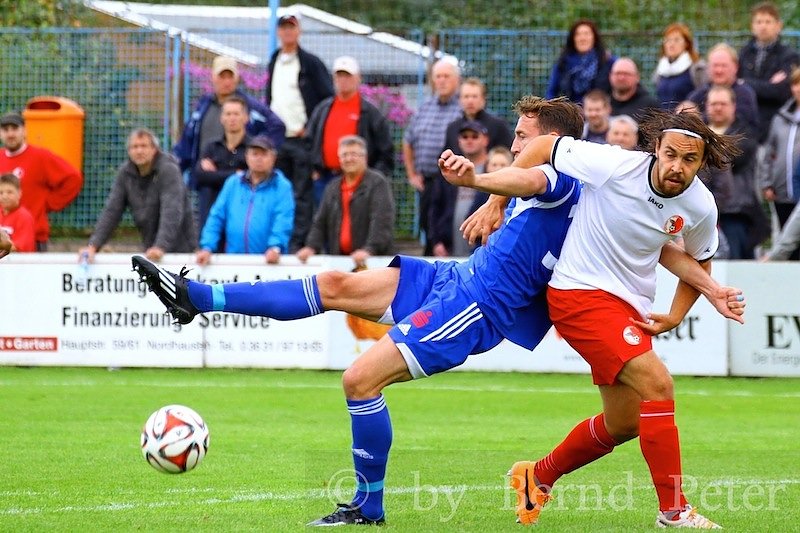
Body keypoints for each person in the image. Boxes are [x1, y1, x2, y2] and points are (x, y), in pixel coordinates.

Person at [132, 96, 745, 527]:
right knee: (337, 282)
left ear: (551, 142)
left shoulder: (574, 180)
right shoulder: (578, 178)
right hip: (458, 277)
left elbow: (540, 184)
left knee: (358, 379)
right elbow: (536, 187)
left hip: (477, 306)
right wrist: (493, 200)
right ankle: (198, 299)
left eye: (523, 138)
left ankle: (367, 507)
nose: (516, 146)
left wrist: (482, 184)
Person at [444, 108, 743, 528]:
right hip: (579, 294)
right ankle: (673, 511)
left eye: (689, 159)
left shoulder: (700, 206)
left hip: (629, 305)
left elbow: (697, 259)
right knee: (659, 385)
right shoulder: (615, 165)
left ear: (702, 161)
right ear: (655, 147)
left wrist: (678, 314)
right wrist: (496, 201)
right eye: (670, 154)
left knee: (624, 424)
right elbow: (543, 145)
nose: (677, 166)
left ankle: (538, 475)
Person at [174, 55, 285, 224]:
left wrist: (259, 152)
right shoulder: (203, 106)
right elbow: (188, 140)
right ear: (213, 78)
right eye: (221, 76)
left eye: (230, 76)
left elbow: (277, 126)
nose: (226, 81)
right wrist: (180, 167)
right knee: (209, 227)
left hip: (242, 183)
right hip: (209, 182)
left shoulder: (250, 105)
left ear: (236, 78)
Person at [266, 12, 334, 252]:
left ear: (299, 31)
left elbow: (327, 99)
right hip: (277, 140)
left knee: (302, 195)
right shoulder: (274, 59)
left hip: (302, 139)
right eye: (283, 28)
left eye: (291, 28)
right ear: (278, 32)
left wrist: (312, 126)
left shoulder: (310, 63)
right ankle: (280, 242)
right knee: (279, 192)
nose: (287, 32)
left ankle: (299, 243)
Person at [79, 128, 197, 263]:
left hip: (182, 250)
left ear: (154, 149)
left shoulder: (168, 170)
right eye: (135, 147)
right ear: (129, 151)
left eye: (144, 146)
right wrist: (93, 246)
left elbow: (172, 211)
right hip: (151, 248)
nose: (139, 151)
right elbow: (112, 211)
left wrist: (160, 246)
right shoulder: (125, 173)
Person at [304, 56, 393, 207]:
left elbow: (386, 151)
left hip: (359, 182)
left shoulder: (370, 113)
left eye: (348, 76)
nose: (343, 80)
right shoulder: (323, 109)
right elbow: (308, 142)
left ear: (358, 78)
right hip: (325, 179)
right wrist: (313, 169)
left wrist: (372, 178)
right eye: (339, 76)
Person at [296, 135, 395, 267]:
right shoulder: (332, 187)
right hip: (339, 261)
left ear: (364, 157)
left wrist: (370, 249)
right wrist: (311, 247)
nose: (349, 159)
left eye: (354, 154)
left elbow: (382, 220)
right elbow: (320, 221)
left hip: (372, 263)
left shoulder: (377, 183)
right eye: (344, 155)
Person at [196, 135, 294, 266]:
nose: (259, 158)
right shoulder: (233, 183)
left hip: (269, 264)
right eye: (254, 154)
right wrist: (207, 247)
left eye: (264, 154)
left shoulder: (282, 186)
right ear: (247, 157)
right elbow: (216, 217)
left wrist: (276, 246)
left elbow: (283, 219)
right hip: (234, 263)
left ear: (273, 158)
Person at [402, 57, 462, 254]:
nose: (442, 81)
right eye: (438, 77)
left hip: (453, 182)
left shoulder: (463, 108)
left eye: (446, 76)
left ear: (456, 80)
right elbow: (408, 140)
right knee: (427, 228)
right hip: (427, 181)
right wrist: (412, 174)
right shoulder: (424, 107)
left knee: (448, 233)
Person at [0, 112, 82, 251]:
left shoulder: (40, 156)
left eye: (14, 129)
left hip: (34, 239)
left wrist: (49, 203)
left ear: (24, 131)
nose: (10, 134)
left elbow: (73, 178)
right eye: (6, 130)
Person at [705, 85, 766, 259]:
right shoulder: (698, 133)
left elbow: (732, 160)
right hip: (701, 211)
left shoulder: (745, 134)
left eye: (723, 104)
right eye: (713, 103)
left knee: (734, 264)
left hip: (735, 214)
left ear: (733, 106)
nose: (718, 108)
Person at [738, 1, 799, 142]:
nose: (763, 26)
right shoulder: (744, 54)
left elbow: (781, 92)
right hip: (746, 126)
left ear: (778, 26)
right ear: (752, 26)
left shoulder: (789, 56)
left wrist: (746, 82)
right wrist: (767, 85)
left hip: (775, 125)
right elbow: (737, 86)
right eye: (759, 22)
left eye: (768, 21)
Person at [430, 120, 490, 257]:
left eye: (475, 136)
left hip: (483, 249)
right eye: (465, 137)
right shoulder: (450, 169)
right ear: (458, 141)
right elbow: (435, 208)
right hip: (450, 248)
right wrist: (436, 241)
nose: (469, 140)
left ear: (485, 140)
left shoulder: (494, 167)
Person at [190, 96, 252, 228]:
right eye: (228, 114)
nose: (232, 118)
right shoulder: (211, 147)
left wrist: (216, 174)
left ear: (246, 118)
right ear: (222, 118)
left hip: (243, 210)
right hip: (213, 209)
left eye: (236, 114)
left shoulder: (253, 148)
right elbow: (200, 175)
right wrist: (236, 174)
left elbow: (252, 178)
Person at [758, 65, 800, 258]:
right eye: (796, 83)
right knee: (785, 241)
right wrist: (766, 182)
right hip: (782, 193)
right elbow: (769, 152)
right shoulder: (781, 117)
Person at [687, 43, 760, 131]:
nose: (719, 70)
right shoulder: (700, 93)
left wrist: (698, 119)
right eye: (715, 65)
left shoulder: (744, 94)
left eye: (723, 66)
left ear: (735, 67)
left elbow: (742, 124)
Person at [545, 19, 615, 103]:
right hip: (570, 112)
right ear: (573, 38)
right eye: (578, 34)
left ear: (594, 37)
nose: (582, 38)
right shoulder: (563, 63)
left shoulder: (607, 61)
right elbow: (551, 92)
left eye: (586, 34)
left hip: (599, 112)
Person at [443, 77, 513, 154]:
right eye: (466, 96)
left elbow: (508, 155)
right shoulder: (452, 128)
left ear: (483, 99)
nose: (470, 101)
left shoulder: (498, 126)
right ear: (460, 100)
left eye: (474, 96)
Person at [653, 23, 706, 109]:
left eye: (676, 40)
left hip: (686, 120)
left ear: (686, 44)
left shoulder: (697, 68)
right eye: (668, 40)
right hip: (663, 120)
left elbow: (705, 94)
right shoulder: (661, 69)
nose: (671, 44)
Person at [0, 173, 35, 252]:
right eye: (1, 192)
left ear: (19, 193)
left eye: (9, 192)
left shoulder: (24, 217)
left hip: (18, 262)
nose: (4, 196)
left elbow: (19, 247)